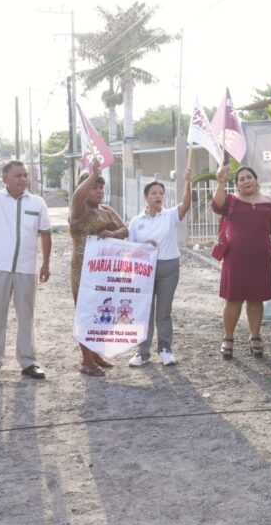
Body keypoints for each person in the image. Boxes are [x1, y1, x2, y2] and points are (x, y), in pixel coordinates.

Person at [0, 160, 52, 384]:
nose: (23, 179)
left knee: (26, 316)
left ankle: (28, 362)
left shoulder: (38, 202)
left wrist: (45, 264)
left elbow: (46, 234)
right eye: (18, 175)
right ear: (4, 179)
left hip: (26, 268)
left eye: (25, 175)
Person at [211, 165, 271, 359]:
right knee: (233, 299)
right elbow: (216, 205)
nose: (246, 181)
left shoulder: (269, 204)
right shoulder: (230, 201)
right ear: (237, 185)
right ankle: (228, 338)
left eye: (249, 177)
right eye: (241, 179)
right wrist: (220, 182)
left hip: (261, 260)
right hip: (235, 259)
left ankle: (255, 336)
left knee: (256, 299)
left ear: (256, 180)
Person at [127, 166, 193, 366]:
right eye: (154, 193)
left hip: (168, 269)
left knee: (163, 311)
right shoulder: (136, 221)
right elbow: (131, 249)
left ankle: (165, 349)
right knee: (145, 310)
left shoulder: (170, 215)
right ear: (145, 197)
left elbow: (186, 205)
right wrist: (144, 248)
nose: (158, 196)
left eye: (161, 193)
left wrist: (188, 183)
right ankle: (142, 352)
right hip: (144, 270)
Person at [69, 159, 128, 376]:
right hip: (83, 271)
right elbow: (77, 196)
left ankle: (95, 354)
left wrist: (112, 234)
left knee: (103, 312)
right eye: (94, 186)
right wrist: (92, 174)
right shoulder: (78, 210)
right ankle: (86, 361)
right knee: (86, 314)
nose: (99, 190)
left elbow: (125, 230)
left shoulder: (107, 209)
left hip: (106, 272)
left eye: (101, 186)